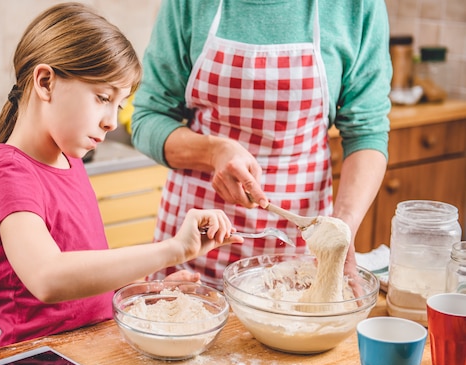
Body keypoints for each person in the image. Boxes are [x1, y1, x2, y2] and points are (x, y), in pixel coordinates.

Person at [0, 2, 241, 349]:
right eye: (102, 97)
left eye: (120, 105)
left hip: (84, 360)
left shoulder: (71, 162)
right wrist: (172, 249)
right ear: (45, 81)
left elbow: (85, 282)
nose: (112, 121)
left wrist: (146, 293)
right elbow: (47, 277)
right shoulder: (7, 173)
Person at [131, 0, 392, 289]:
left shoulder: (355, 6)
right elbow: (147, 119)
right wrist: (214, 152)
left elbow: (367, 132)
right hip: (195, 242)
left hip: (303, 247)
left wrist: (341, 230)